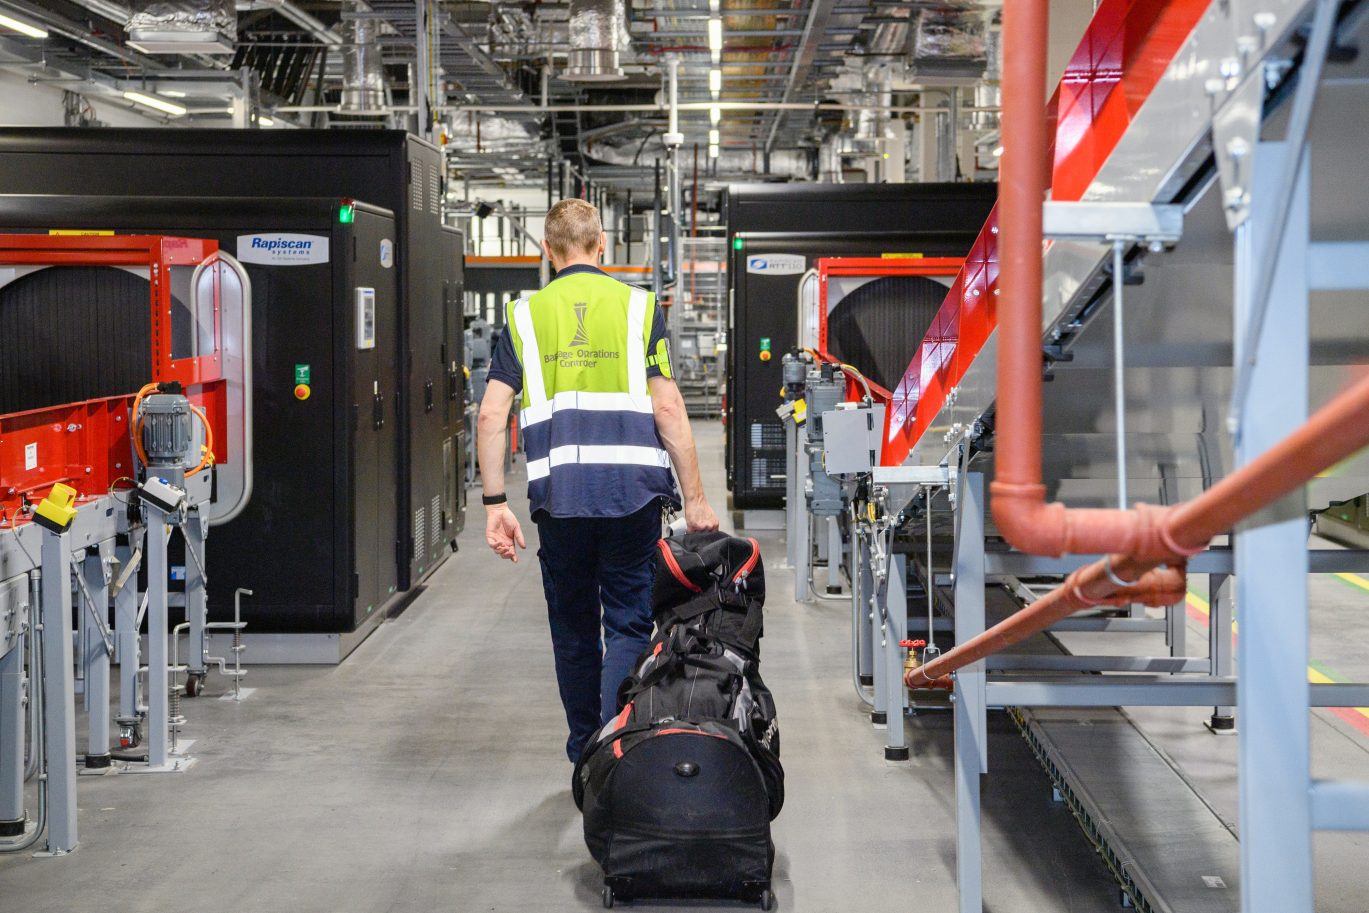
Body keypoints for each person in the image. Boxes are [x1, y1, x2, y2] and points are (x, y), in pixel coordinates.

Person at [477, 198, 719, 762]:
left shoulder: (524, 317)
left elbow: (491, 414)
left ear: (547, 250)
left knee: (573, 627)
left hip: (558, 501)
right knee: (630, 621)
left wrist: (494, 504)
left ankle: (583, 748)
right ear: (602, 244)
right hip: (632, 497)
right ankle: (617, 753)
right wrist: (697, 501)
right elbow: (669, 410)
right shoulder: (638, 309)